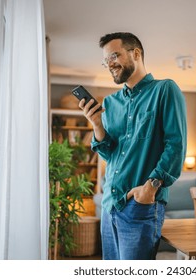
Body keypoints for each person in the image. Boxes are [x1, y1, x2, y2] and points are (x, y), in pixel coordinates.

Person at [78, 32, 187, 260]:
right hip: (110, 205)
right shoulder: (110, 103)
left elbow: (175, 146)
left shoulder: (165, 90)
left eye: (114, 56)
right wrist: (97, 124)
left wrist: (150, 188)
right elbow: (111, 153)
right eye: (106, 60)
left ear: (135, 53)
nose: (110, 64)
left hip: (141, 204)